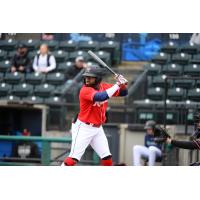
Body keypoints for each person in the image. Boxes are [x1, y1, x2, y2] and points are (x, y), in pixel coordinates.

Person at [62, 66, 128, 166]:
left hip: (97, 128)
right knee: (73, 159)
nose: (87, 79)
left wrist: (122, 85)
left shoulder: (104, 87)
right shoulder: (85, 90)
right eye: (86, 77)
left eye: (90, 77)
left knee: (107, 157)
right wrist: (118, 84)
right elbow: (101, 97)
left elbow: (124, 93)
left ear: (97, 79)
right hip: (83, 127)